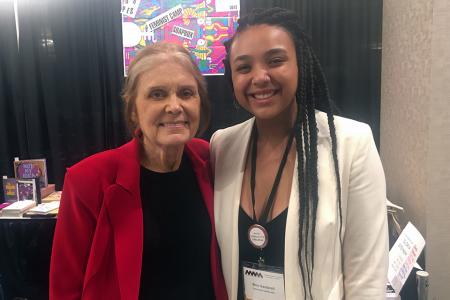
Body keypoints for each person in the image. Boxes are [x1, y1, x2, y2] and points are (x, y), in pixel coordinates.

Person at [210, 7, 388, 300]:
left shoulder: (351, 145)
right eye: (244, 67)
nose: (259, 77)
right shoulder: (222, 146)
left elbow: (367, 282)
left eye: (275, 60)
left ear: (300, 64)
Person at [50, 43, 227, 300]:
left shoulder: (210, 159)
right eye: (157, 94)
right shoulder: (88, 179)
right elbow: (64, 287)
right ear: (133, 109)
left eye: (187, 93)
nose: (175, 106)